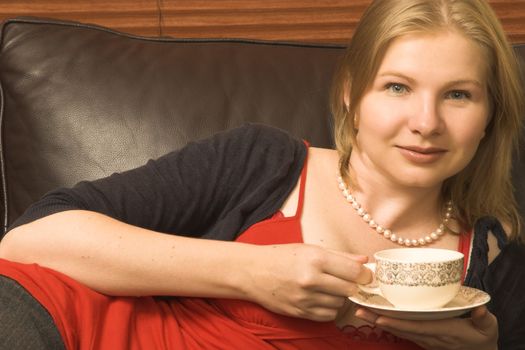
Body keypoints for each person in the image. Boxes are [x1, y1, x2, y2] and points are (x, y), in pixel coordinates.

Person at [0, 0, 524, 349]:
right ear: (350, 93)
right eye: (396, 87)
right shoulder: (263, 163)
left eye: (458, 94)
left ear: (489, 114)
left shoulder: (495, 259)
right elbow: (27, 241)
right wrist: (251, 273)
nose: (426, 123)